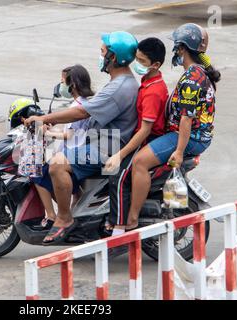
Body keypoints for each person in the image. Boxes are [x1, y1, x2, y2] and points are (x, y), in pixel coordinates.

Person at [25, 31, 139, 245]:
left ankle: (64, 218)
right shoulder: (121, 82)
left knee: (57, 165)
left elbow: (81, 113)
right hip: (101, 140)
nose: (100, 55)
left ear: (113, 57)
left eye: (103, 52)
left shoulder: (119, 87)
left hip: (107, 145)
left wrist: (42, 118)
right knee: (58, 156)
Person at [126, 23, 221, 230]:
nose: (175, 51)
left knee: (140, 162)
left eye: (177, 47)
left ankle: (131, 220)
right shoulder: (197, 72)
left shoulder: (192, 80)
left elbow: (187, 119)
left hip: (189, 138)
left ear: (182, 48)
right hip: (191, 135)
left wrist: (178, 152)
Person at [104, 37, 168, 236]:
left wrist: (120, 155)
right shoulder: (147, 81)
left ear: (155, 65)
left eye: (142, 62)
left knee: (119, 176)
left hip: (147, 139)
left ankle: (123, 225)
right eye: (137, 59)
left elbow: (145, 130)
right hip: (140, 136)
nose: (137, 65)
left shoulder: (153, 92)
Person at [32, 64, 94, 230]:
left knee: (36, 174)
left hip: (74, 154)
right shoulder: (84, 103)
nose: (61, 86)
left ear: (72, 85)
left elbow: (70, 135)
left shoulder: (77, 107)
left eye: (63, 82)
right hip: (76, 151)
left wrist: (48, 134)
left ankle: (52, 215)